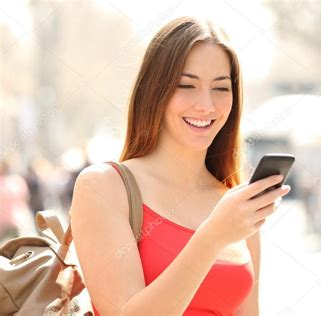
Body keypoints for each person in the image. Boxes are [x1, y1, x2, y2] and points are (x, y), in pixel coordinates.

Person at [70, 16, 291, 315]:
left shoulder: (235, 205)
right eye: (187, 85)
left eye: (221, 88)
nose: (206, 105)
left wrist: (224, 228)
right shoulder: (104, 187)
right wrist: (211, 238)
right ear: (154, 91)